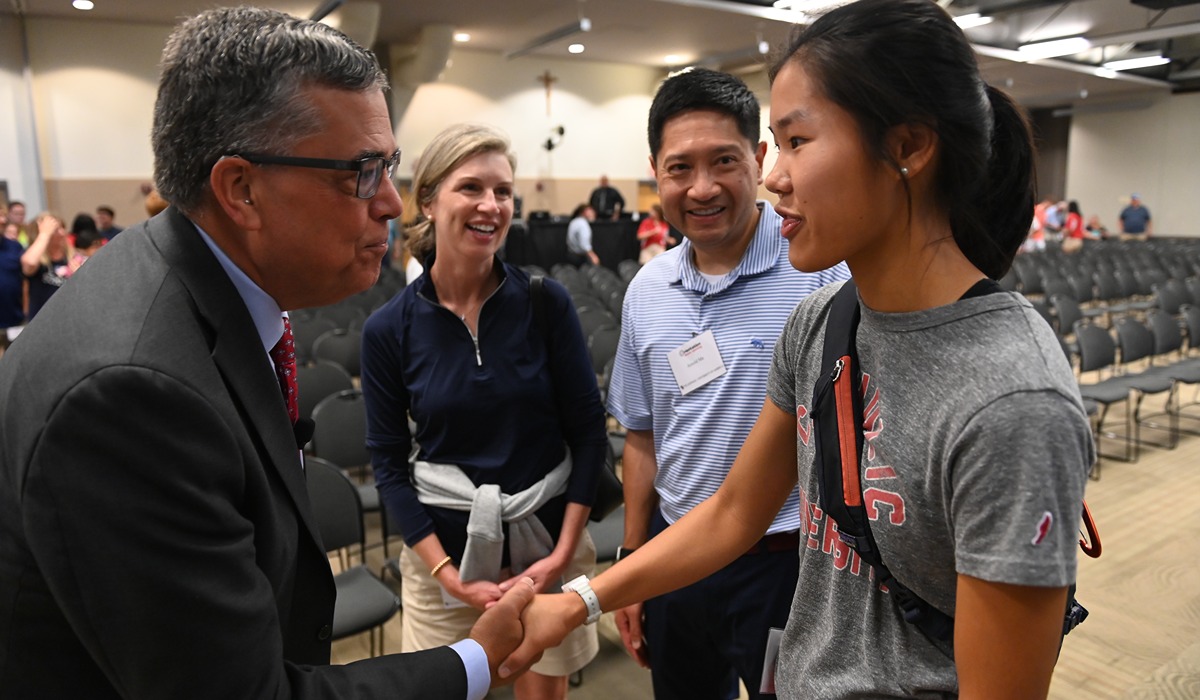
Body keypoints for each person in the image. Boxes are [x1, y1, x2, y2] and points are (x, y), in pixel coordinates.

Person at [505, 2, 1092, 698]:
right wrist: (582, 602)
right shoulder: (823, 321)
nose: (774, 177)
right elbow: (731, 514)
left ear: (906, 147)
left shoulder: (1012, 404)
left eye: (797, 141)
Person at [0, 8, 539, 699]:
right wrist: (473, 661)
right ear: (242, 189)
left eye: (390, 166)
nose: (394, 205)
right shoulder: (135, 393)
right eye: (363, 172)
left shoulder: (183, 281)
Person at [607, 67, 849, 700]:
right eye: (680, 167)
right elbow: (642, 436)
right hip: (677, 558)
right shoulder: (647, 291)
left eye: (724, 161)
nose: (703, 187)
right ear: (655, 170)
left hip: (788, 565)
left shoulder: (820, 270)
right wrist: (633, 561)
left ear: (760, 158)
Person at [361, 123, 606, 700]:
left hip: (548, 547)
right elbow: (390, 464)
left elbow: (589, 434)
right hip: (441, 556)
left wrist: (562, 555)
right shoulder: (389, 329)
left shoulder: (546, 303)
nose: (491, 206)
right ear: (429, 200)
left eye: (503, 191)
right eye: (471, 188)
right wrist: (449, 574)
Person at [20, 212, 74, 322]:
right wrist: (44, 234)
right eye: (56, 229)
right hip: (43, 323)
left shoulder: (72, 258)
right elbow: (29, 263)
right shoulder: (36, 258)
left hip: (69, 319)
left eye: (63, 228)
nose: (63, 233)